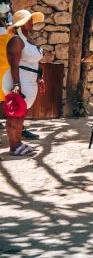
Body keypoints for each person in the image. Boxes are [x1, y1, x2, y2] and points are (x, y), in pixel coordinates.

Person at [2, 10, 46, 157]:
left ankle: (18, 143)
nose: (31, 23)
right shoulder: (16, 40)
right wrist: (16, 84)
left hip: (28, 80)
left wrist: (40, 78)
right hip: (18, 80)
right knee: (15, 114)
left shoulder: (28, 40)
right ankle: (14, 147)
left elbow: (35, 63)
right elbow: (14, 64)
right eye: (28, 20)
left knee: (20, 114)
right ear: (21, 24)